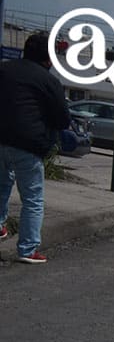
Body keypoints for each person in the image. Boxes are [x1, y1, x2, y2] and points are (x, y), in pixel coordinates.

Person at [0, 31, 70, 264]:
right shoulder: (49, 82)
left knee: (1, 185)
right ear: (49, 58)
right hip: (27, 145)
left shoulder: (4, 69)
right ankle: (28, 249)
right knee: (32, 198)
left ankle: (0, 226)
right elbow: (62, 119)